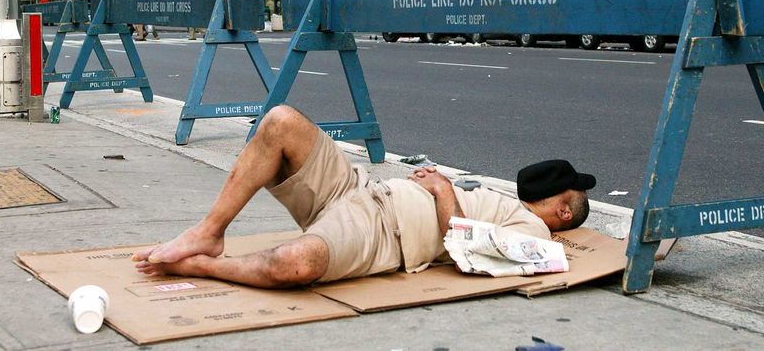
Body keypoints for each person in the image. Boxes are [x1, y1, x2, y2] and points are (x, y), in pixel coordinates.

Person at [133, 106, 595, 288]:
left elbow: (470, 256)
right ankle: (209, 232)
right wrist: (438, 183)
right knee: (279, 122)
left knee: (297, 264)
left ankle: (203, 265)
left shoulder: (536, 232)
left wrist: (443, 190)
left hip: (381, 234)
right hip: (362, 189)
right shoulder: (503, 200)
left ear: (561, 210)